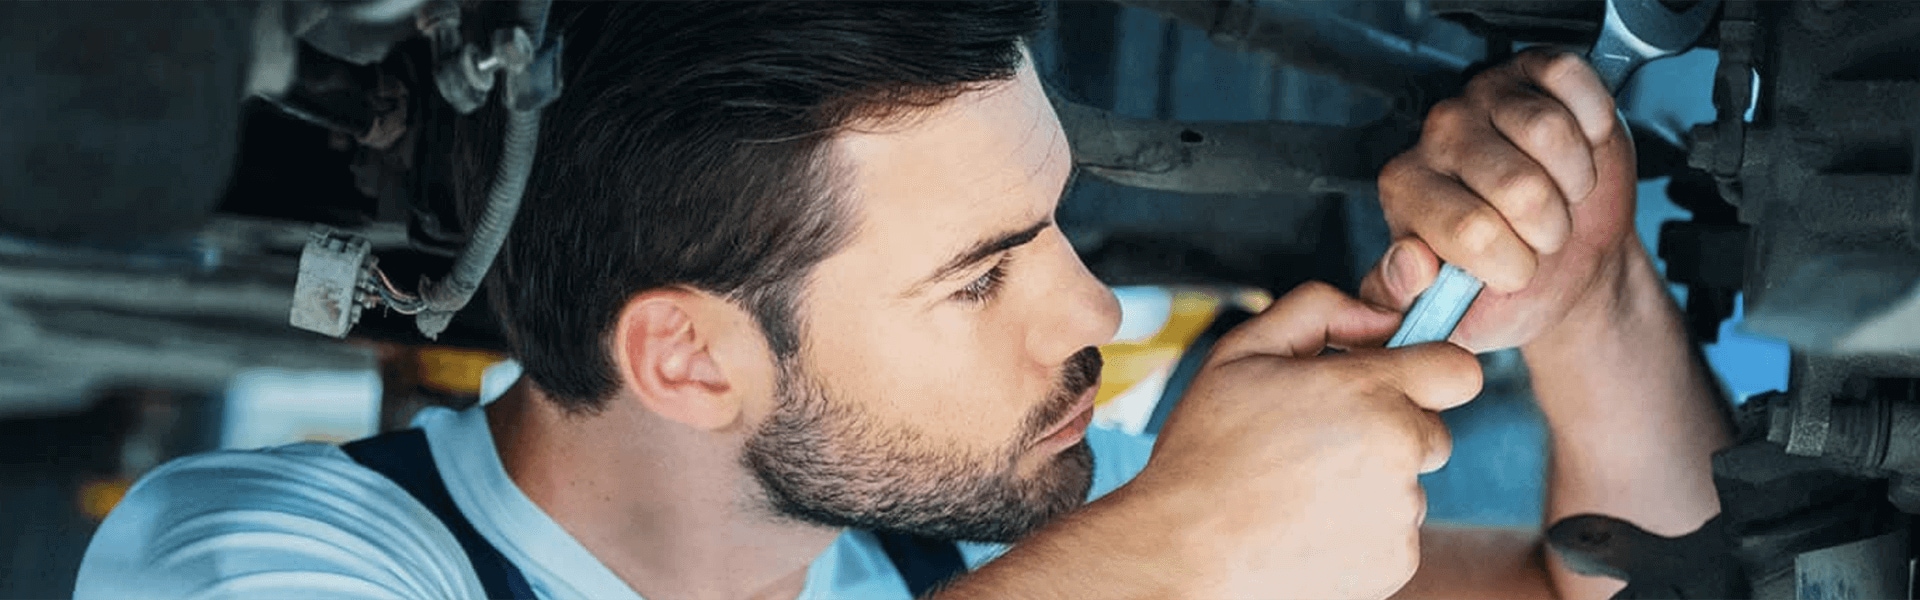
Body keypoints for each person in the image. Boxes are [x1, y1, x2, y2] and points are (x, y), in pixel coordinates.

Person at [74, 2, 1731, 599]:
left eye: (1060, 225)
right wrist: (1174, 552)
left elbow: (1611, 589)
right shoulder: (261, 558)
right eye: (985, 272)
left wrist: (1588, 295)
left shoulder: (966, 517)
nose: (1096, 303)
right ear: (689, 360)